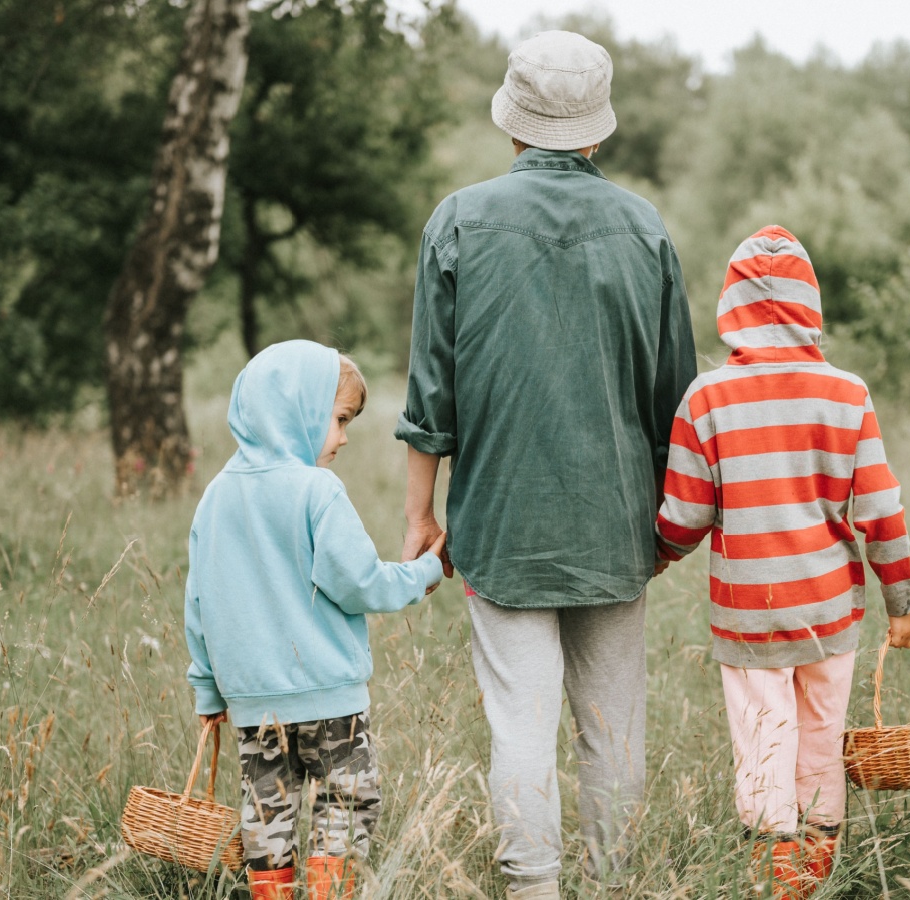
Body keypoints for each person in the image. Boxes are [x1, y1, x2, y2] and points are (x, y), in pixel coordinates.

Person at [394, 30, 698, 899]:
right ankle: (612, 883)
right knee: (613, 727)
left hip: (500, 523)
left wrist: (422, 518)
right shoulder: (644, 227)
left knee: (519, 724)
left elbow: (430, 397)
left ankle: (534, 889)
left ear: (513, 124)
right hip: (619, 524)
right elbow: (677, 399)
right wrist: (673, 526)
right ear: (595, 131)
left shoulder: (457, 219)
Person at [654, 226, 910, 897]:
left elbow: (684, 519)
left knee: (763, 746)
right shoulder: (847, 394)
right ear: (811, 303)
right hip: (831, 610)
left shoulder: (705, 399)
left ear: (732, 303)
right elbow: (882, 515)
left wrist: (657, 555)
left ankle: (778, 884)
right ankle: (816, 875)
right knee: (821, 740)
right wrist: (902, 607)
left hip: (747, 616)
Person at [183, 340, 446, 900]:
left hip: (255, 709)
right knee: (347, 808)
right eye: (339, 419)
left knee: (266, 820)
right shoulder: (316, 491)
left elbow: (199, 604)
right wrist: (423, 572)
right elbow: (359, 583)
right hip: (332, 705)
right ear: (297, 408)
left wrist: (208, 690)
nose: (344, 437)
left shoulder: (215, 498)